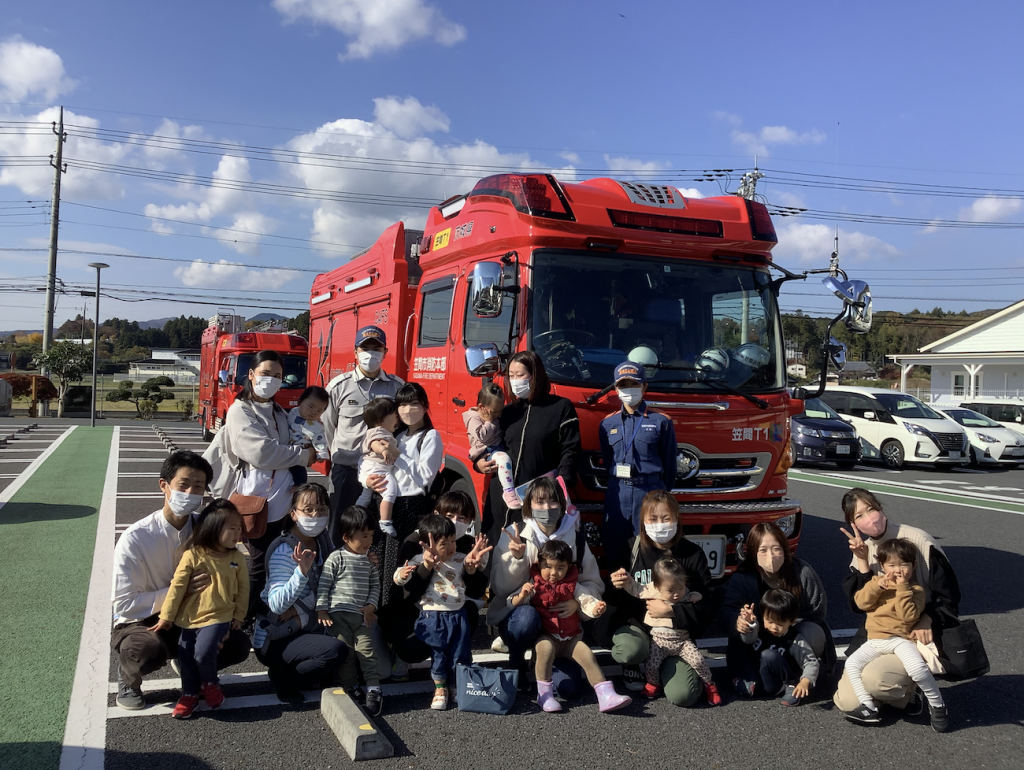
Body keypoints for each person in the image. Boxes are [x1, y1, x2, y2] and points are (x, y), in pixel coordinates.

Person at [111, 452, 250, 711]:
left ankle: (195, 668)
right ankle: (128, 678)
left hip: (195, 615)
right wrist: (179, 592)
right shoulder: (136, 538)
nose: (190, 492)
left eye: (198, 487)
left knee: (238, 644)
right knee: (146, 651)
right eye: (183, 485)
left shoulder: (205, 530)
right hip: (144, 620)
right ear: (164, 485)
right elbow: (124, 605)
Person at [834, 488, 961, 720]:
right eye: (859, 516)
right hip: (879, 633)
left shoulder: (919, 540)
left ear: (880, 508)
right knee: (847, 701)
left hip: (914, 631)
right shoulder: (863, 550)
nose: (869, 518)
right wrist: (862, 561)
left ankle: (910, 689)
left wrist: (927, 619)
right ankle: (898, 696)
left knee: (875, 681)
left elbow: (949, 595)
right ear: (853, 523)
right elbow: (859, 605)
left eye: (871, 509)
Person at [206, 349, 318, 611]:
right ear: (251, 374)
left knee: (279, 560)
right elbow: (261, 453)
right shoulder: (240, 410)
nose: (271, 380)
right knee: (258, 562)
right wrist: (303, 455)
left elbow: (291, 441)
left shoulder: (278, 411)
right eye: (265, 373)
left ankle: (272, 610)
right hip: (255, 501)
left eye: (277, 375)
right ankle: (245, 616)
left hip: (284, 501)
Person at [487, 476, 602, 700]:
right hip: (523, 615)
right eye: (539, 502)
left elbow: (593, 583)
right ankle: (517, 663)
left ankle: (540, 660)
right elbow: (501, 589)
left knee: (569, 688)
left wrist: (577, 602)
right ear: (528, 505)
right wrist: (516, 559)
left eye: (552, 501)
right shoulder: (516, 534)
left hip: (559, 629)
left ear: (562, 504)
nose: (547, 507)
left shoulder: (576, 537)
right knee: (525, 618)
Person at [605, 490, 713, 705]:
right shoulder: (631, 548)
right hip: (640, 629)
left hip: (676, 637)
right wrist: (615, 585)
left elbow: (708, 602)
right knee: (629, 650)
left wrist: (673, 611)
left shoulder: (692, 553)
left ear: (677, 519)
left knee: (684, 695)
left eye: (666, 518)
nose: (660, 525)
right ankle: (634, 663)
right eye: (653, 519)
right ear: (643, 521)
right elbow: (611, 598)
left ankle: (662, 667)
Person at [151, 500, 250, 719]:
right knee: (185, 656)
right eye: (232, 528)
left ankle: (210, 684)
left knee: (203, 651)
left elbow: (244, 590)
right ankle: (189, 695)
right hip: (188, 618)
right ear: (213, 529)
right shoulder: (192, 555)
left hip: (219, 616)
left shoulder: (236, 558)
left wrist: (239, 616)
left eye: (239, 528)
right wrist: (166, 616)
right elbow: (177, 587)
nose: (238, 533)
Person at [475, 350, 581, 551]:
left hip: (538, 499)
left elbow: (571, 450)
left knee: (532, 553)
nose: (515, 380)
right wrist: (479, 462)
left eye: (520, 375)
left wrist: (560, 488)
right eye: (511, 376)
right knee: (496, 551)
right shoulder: (507, 411)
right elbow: (486, 442)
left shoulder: (561, 407)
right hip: (501, 496)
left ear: (535, 375)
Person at [253, 484, 347, 704]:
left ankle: (311, 672)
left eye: (322, 510)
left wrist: (360, 558)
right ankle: (284, 677)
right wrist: (301, 572)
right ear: (294, 514)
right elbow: (276, 605)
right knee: (336, 651)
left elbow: (335, 580)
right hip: (278, 636)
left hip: (308, 624)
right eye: (308, 509)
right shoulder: (284, 551)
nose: (316, 515)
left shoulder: (323, 541)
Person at [378, 492, 489, 677]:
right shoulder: (415, 542)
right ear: (436, 514)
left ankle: (455, 662)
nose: (455, 522)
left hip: (451, 608)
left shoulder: (469, 545)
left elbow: (477, 591)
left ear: (471, 521)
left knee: (469, 612)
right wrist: (426, 567)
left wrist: (471, 571)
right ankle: (400, 652)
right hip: (416, 609)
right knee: (412, 648)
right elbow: (401, 594)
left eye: (462, 518)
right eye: (449, 515)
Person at [511, 540, 630, 713]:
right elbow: (513, 602)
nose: (554, 573)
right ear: (539, 564)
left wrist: (596, 608)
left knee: (587, 655)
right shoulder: (535, 585)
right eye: (548, 566)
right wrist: (523, 595)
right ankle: (544, 695)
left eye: (560, 568)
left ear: (569, 567)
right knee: (544, 649)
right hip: (547, 636)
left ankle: (605, 694)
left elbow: (586, 600)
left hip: (570, 638)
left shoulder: (573, 586)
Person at [842, 539, 949, 731]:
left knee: (917, 669)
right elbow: (861, 603)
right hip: (875, 640)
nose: (898, 570)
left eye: (904, 564)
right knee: (851, 664)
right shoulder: (876, 583)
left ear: (913, 565)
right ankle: (868, 706)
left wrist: (902, 588)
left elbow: (908, 617)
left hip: (901, 640)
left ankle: (937, 705)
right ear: (882, 566)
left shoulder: (915, 590)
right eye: (892, 565)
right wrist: (878, 586)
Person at [392, 515, 491, 710]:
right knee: (439, 653)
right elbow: (399, 576)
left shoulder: (460, 558)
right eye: (444, 543)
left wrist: (475, 563)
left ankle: (455, 685)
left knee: (460, 652)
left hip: (458, 614)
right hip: (433, 615)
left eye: (453, 541)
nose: (451, 547)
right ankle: (440, 688)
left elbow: (474, 564)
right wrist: (402, 575)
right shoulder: (421, 559)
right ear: (428, 545)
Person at [719, 521, 836, 686]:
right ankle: (753, 672)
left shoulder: (802, 572)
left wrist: (786, 627)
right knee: (742, 637)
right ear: (752, 552)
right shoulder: (743, 578)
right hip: (756, 636)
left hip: (790, 634)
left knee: (813, 632)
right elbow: (727, 612)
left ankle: (798, 672)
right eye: (763, 550)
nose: (771, 556)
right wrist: (738, 622)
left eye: (776, 549)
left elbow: (817, 613)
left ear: (785, 549)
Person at [322, 325, 404, 545]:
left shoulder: (396, 387)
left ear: (385, 352)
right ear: (355, 352)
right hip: (347, 473)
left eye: (376, 349)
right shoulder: (338, 387)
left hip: (383, 473)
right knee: (340, 530)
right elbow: (329, 427)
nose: (370, 354)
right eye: (365, 348)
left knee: (376, 534)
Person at [598, 361, 678, 553]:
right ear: (616, 389)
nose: (629, 389)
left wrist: (659, 492)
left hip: (650, 491)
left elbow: (670, 465)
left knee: (650, 548)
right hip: (618, 492)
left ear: (644, 386)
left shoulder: (661, 421)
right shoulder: (607, 424)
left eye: (634, 384)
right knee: (615, 546)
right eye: (623, 385)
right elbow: (609, 460)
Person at [378, 382, 444, 608]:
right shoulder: (397, 434)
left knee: (408, 561)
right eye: (402, 404)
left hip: (413, 506)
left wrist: (398, 456)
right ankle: (386, 612)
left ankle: (405, 613)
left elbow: (425, 476)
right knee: (388, 563)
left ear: (425, 406)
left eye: (414, 404)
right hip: (389, 504)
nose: (407, 410)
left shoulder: (431, 436)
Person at [315, 506, 383, 716]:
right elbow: (324, 584)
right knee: (347, 653)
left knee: (367, 651)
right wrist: (322, 610)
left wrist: (371, 606)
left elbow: (375, 586)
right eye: (364, 536)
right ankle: (351, 686)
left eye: (371, 535)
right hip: (338, 615)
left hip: (363, 616)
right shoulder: (336, 558)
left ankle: (374, 689)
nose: (369, 541)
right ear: (346, 537)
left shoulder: (369, 561)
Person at [625, 556, 720, 705]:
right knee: (651, 664)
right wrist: (627, 581)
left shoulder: (686, 593)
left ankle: (710, 685)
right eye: (670, 590)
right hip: (659, 642)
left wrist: (696, 595)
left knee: (699, 660)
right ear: (657, 586)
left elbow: (700, 598)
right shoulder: (652, 590)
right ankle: (653, 684)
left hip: (682, 641)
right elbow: (637, 589)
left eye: (681, 588)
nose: (677, 594)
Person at [732, 589, 821, 706]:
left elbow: (810, 662)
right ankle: (744, 682)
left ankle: (791, 685)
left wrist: (805, 681)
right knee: (736, 640)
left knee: (768, 655)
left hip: (774, 683)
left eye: (780, 624)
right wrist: (749, 624)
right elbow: (747, 640)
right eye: (769, 621)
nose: (774, 627)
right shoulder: (759, 628)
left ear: (792, 621)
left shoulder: (794, 639)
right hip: (755, 676)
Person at [463, 383, 520, 509]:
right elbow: (482, 436)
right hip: (487, 450)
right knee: (504, 460)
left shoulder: (494, 416)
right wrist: (489, 421)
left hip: (497, 447)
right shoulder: (473, 419)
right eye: (495, 412)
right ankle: (509, 491)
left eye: (501, 411)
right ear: (481, 407)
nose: (498, 415)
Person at [355, 397, 401, 535]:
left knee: (366, 495)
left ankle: (356, 514)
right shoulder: (379, 432)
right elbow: (375, 443)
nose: (398, 418)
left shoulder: (379, 431)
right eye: (394, 415)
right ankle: (385, 521)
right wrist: (384, 450)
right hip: (377, 467)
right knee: (390, 491)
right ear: (382, 420)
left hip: (369, 467)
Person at [286, 386, 331, 487]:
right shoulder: (292, 412)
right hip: (286, 450)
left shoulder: (317, 425)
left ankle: (298, 486)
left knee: (299, 472)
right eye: (311, 407)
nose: (313, 412)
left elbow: (320, 440)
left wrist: (321, 454)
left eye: (319, 411)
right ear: (300, 401)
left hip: (300, 452)